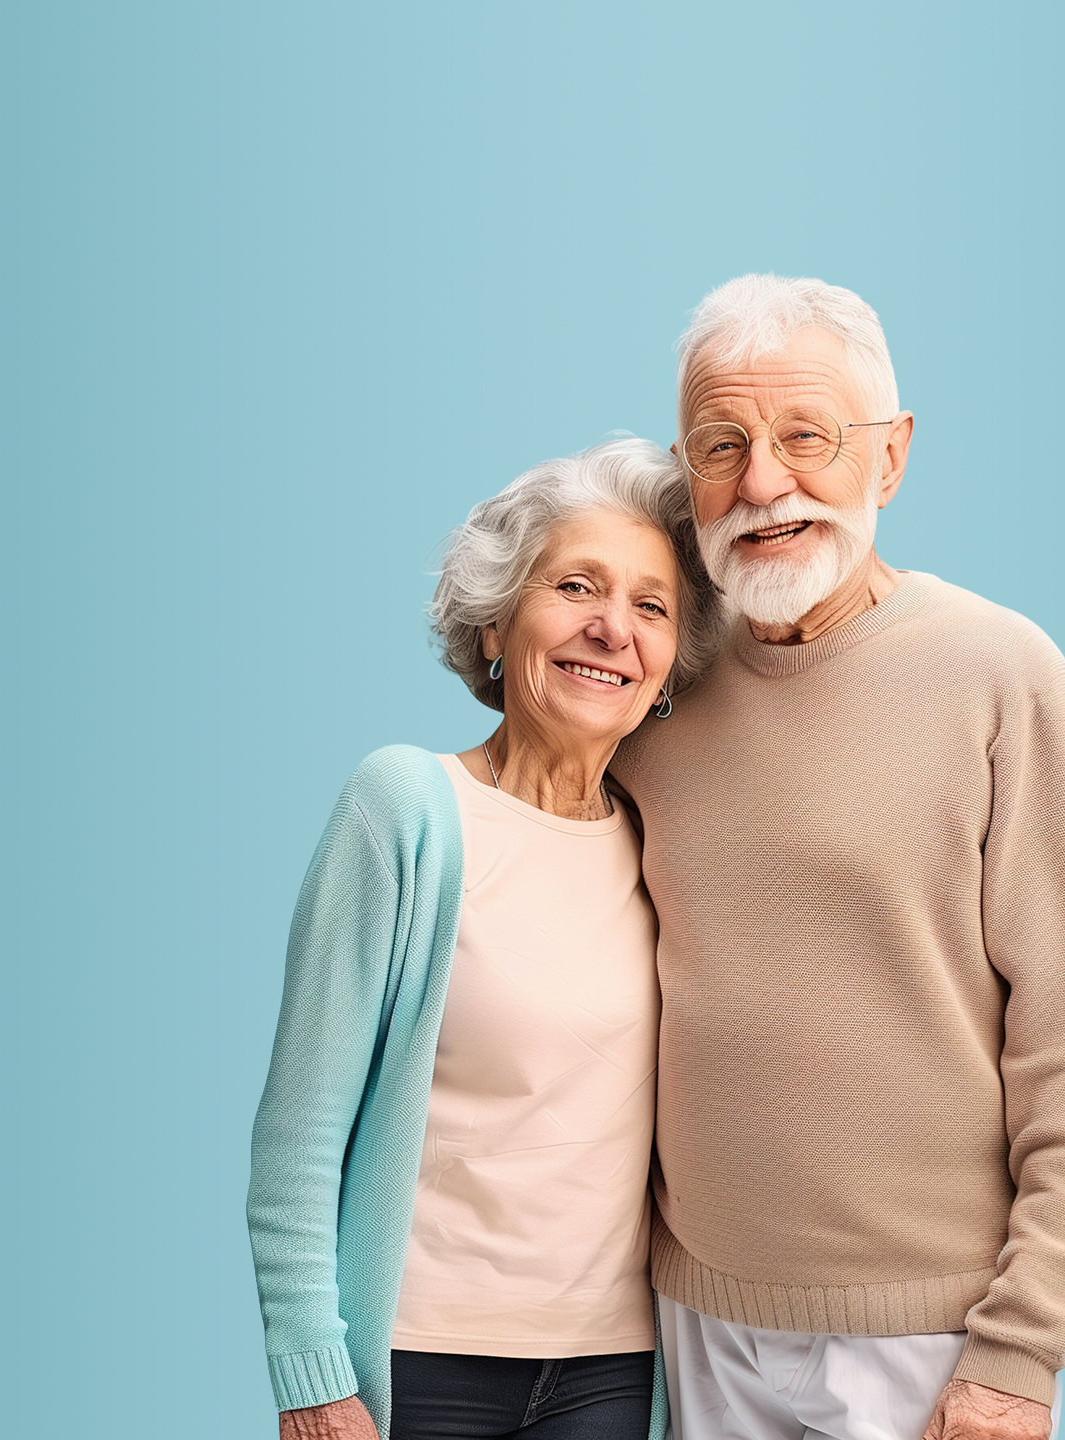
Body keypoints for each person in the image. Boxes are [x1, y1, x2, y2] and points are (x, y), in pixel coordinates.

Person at [604, 276, 1065, 1440]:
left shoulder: (1000, 677)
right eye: (720, 444)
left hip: (936, 1337)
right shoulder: (653, 689)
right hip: (700, 1321)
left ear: (889, 459)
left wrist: (1018, 1353)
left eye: (807, 437)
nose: (761, 483)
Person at [247, 438, 724, 1440]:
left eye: (649, 606)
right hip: (419, 1366)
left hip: (609, 1370)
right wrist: (310, 1374)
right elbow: (298, 1134)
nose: (610, 628)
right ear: (498, 623)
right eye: (575, 586)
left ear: (668, 671)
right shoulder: (406, 809)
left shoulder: (665, 845)